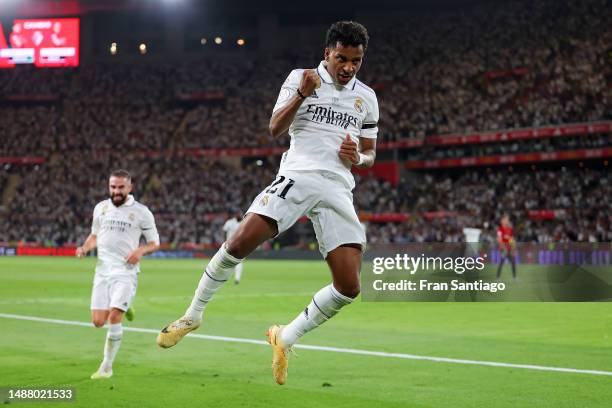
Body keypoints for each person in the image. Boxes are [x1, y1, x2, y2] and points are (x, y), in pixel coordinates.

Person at [157, 21, 379, 386]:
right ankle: (193, 315)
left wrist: (358, 157)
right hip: (299, 175)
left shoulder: (366, 97)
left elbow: (370, 155)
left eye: (356, 60)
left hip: (339, 187)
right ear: (327, 53)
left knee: (349, 286)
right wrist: (302, 95)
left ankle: (285, 337)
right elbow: (275, 127)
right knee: (238, 243)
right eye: (342, 58)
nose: (349, 67)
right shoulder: (300, 78)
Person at [76, 169, 160, 379]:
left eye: (121, 187)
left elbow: (154, 243)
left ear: (130, 187)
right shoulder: (101, 208)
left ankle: (107, 366)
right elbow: (94, 235)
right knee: (97, 322)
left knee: (114, 317)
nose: (116, 191)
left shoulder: (142, 212)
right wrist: (85, 248)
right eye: (113, 187)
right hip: (102, 271)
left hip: (125, 271)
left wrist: (140, 251)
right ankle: (126, 304)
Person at [222, 212, 244, 284]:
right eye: (238, 214)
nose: (240, 215)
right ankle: (224, 277)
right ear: (235, 215)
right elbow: (224, 231)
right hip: (229, 244)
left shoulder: (244, 222)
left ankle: (237, 278)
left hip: (239, 245)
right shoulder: (229, 222)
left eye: (241, 214)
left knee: (238, 261)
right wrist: (224, 242)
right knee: (227, 261)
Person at [496, 214, 517, 279]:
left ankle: (514, 277)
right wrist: (503, 247)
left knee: (513, 262)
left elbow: (512, 239)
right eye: (506, 220)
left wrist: (513, 249)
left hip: (509, 248)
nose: (507, 221)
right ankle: (498, 277)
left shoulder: (510, 229)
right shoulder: (500, 229)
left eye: (507, 220)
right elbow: (499, 239)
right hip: (504, 249)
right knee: (502, 262)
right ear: (502, 221)